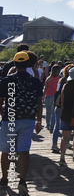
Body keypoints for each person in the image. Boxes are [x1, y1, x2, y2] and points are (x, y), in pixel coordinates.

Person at [0, 51, 43, 195]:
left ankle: (5, 178)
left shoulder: (6, 81)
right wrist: (39, 121)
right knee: (24, 151)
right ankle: (22, 181)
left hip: (10, 119)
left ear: (15, 64)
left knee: (6, 151)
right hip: (28, 119)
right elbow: (39, 103)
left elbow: (0, 102)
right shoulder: (35, 81)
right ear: (28, 64)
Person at [51, 64, 72, 153]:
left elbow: (57, 92)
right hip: (67, 106)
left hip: (58, 105)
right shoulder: (71, 81)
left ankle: (54, 144)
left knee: (57, 125)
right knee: (67, 126)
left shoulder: (60, 80)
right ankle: (66, 142)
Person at [43, 65, 60, 133]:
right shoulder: (59, 78)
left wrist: (43, 96)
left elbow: (45, 88)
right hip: (56, 97)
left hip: (48, 96)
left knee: (48, 112)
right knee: (54, 112)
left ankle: (48, 124)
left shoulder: (48, 79)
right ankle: (54, 125)